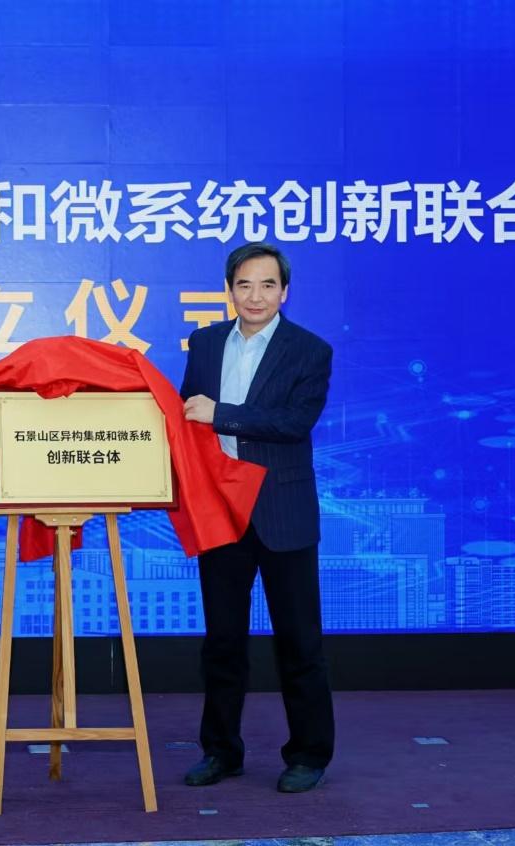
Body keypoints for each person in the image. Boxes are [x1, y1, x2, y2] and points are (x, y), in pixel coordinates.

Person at [179, 242, 335, 793]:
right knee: (222, 642)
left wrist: (221, 414)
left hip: (282, 512)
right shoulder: (204, 343)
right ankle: (221, 751)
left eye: (268, 285)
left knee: (299, 641)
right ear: (229, 290)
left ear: (284, 292)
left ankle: (308, 754)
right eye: (244, 284)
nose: (255, 296)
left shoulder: (310, 350)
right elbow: (186, 415)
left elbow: (293, 423)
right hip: (221, 511)